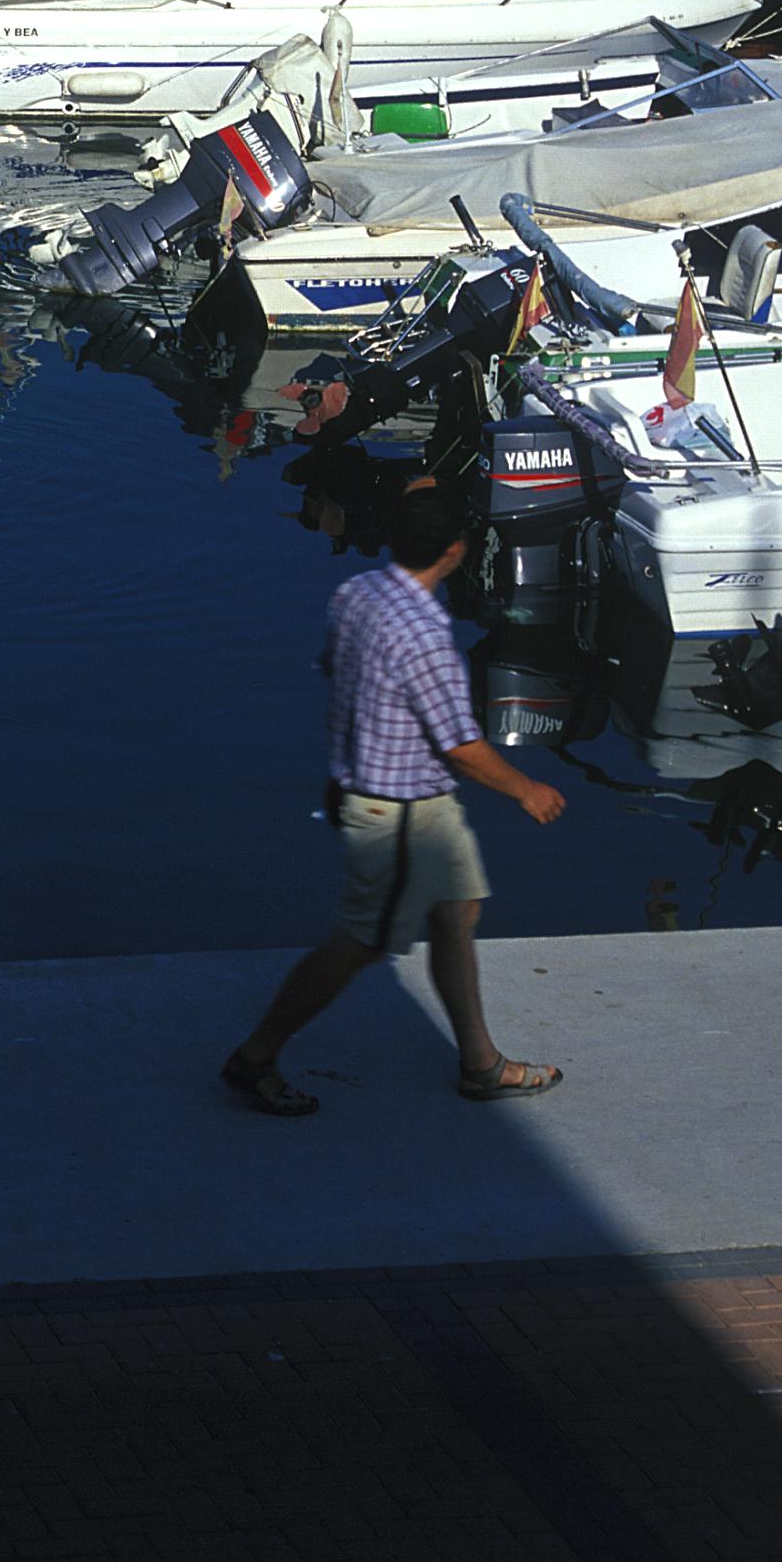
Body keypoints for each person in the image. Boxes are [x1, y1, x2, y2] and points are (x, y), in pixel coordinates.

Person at [221, 477, 565, 1116]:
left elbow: (341, 677)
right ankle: (255, 1057)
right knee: (362, 942)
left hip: (396, 796)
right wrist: (527, 789)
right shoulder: (428, 633)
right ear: (456, 551)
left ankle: (480, 1064)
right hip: (399, 813)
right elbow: (461, 744)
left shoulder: (357, 594)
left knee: (457, 910)